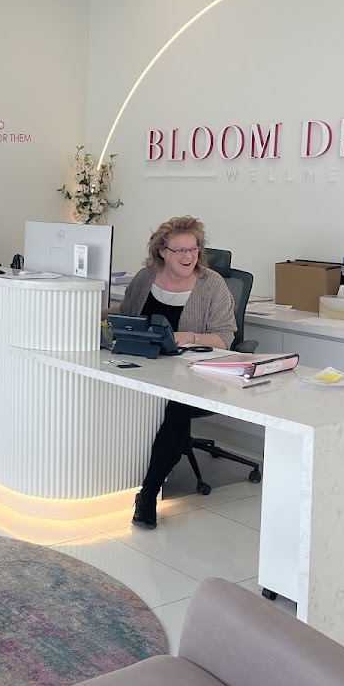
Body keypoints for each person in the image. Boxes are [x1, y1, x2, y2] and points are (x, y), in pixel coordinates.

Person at [111, 216, 237, 529]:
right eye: (180, 250)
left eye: (193, 249)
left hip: (191, 374)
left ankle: (148, 494)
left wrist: (190, 336)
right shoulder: (145, 278)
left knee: (177, 408)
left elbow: (224, 338)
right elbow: (126, 314)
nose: (188, 256)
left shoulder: (212, 284)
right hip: (144, 364)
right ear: (162, 251)